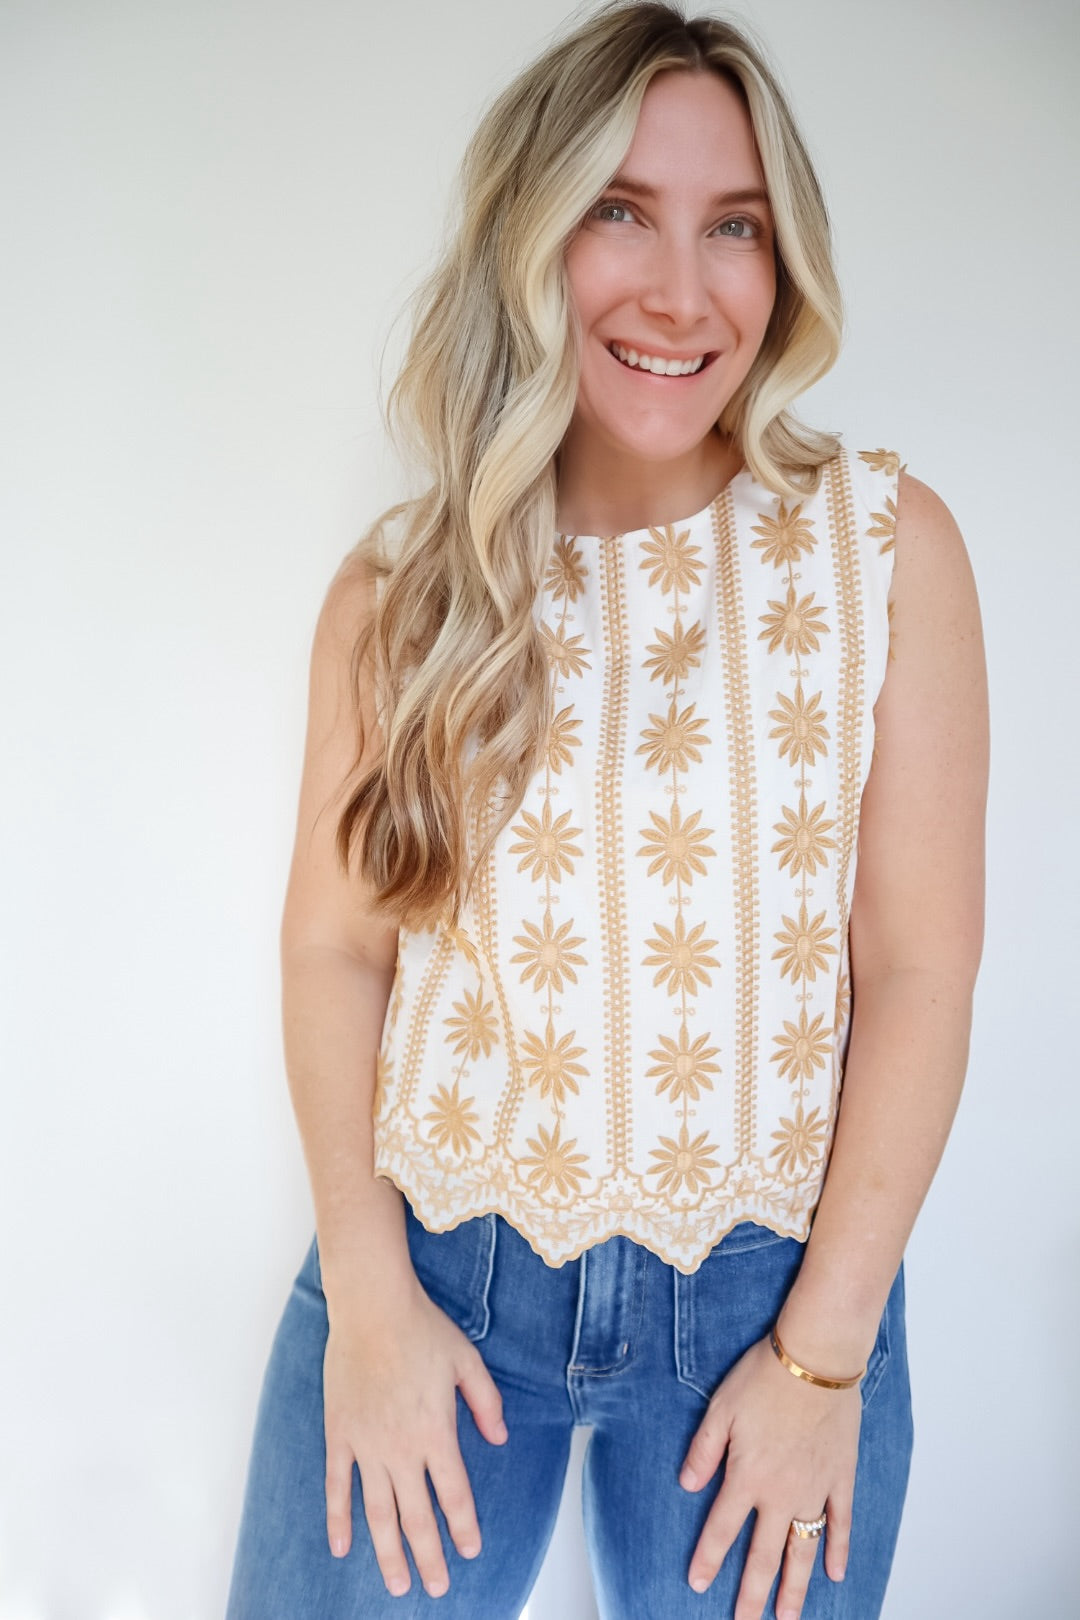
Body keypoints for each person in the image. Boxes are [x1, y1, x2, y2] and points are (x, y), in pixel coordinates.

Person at [226, 3, 987, 1616]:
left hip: (774, 1318)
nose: (679, 289)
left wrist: (826, 1365)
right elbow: (332, 952)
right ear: (532, 234)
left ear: (785, 271)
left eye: (737, 228)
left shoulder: (880, 550)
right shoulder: (402, 591)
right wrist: (366, 1295)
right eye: (618, 212)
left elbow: (916, 972)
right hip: (433, 1277)